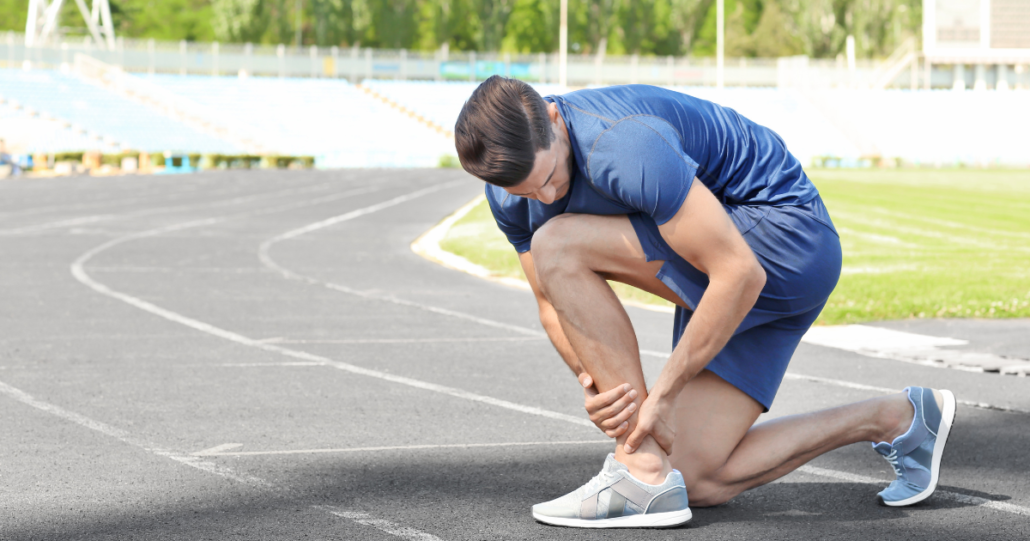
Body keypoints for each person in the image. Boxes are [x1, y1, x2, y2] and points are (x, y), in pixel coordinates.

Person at [453, 76, 957, 529]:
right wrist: (594, 386)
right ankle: (896, 418)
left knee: (557, 243)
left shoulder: (622, 144)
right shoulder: (511, 194)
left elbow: (738, 272)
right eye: (525, 190)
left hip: (785, 240)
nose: (544, 196)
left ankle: (638, 471)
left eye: (549, 176)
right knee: (694, 479)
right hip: (729, 269)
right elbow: (549, 302)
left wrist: (662, 397)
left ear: (554, 117)